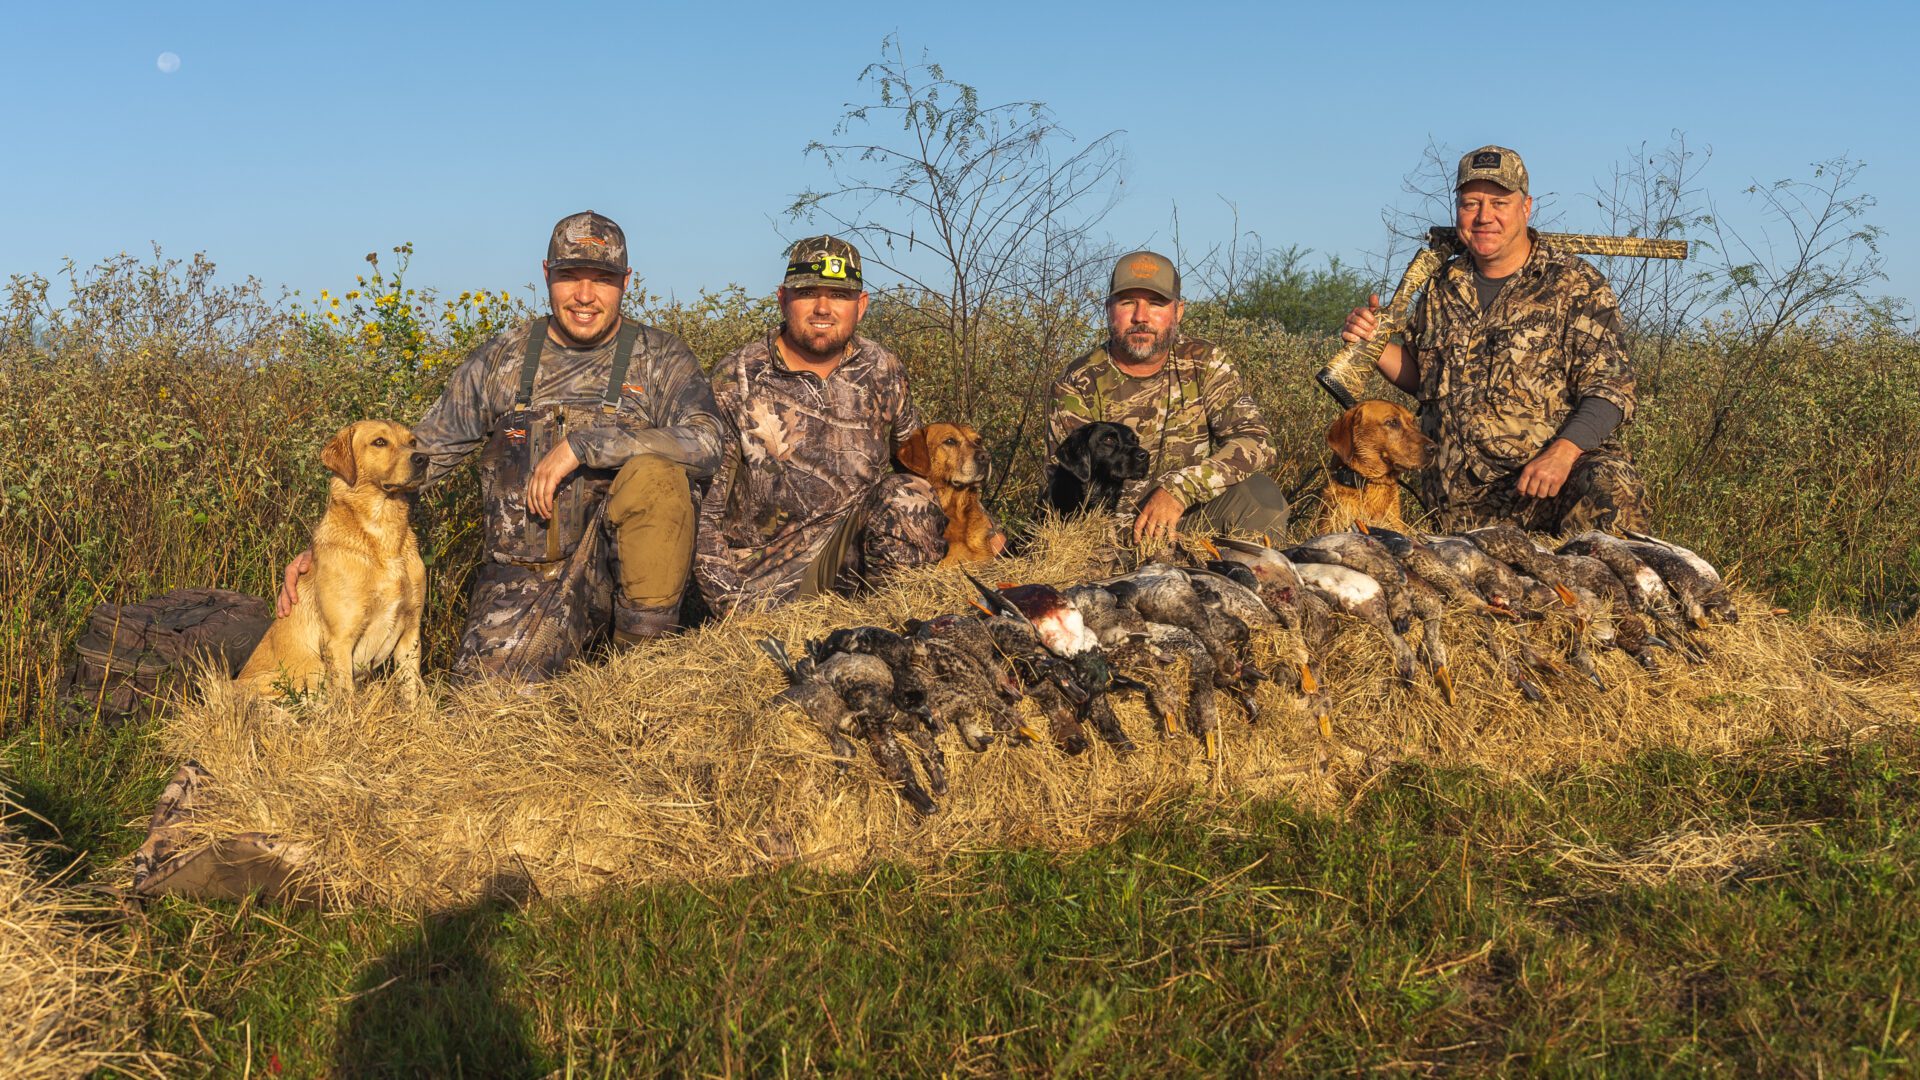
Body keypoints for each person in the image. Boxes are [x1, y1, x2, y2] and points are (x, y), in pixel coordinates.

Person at [280, 211, 723, 682]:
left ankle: (642, 666)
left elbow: (707, 439)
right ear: (546, 274)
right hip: (529, 578)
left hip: (629, 580)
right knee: (484, 713)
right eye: (571, 276)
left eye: (604, 279)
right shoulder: (503, 360)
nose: (586, 295)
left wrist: (586, 444)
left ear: (627, 281)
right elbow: (416, 459)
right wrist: (330, 548)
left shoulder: (661, 358)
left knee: (657, 475)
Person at [1341, 145, 1648, 535]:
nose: (1484, 217)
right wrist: (1376, 345)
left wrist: (1563, 453)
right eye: (1471, 204)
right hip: (1457, 505)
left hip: (1544, 493)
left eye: (1499, 202)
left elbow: (1612, 391)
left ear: (1526, 206)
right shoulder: (1439, 287)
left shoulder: (1575, 284)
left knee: (1611, 482)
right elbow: (1426, 380)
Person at [691, 236, 950, 616]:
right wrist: (734, 609)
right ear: (782, 299)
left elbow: (922, 464)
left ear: (860, 307)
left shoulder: (882, 368)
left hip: (858, 560)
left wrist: (981, 529)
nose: (823, 308)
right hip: (767, 581)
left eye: (839, 296)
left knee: (909, 492)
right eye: (808, 292)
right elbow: (705, 514)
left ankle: (896, 621)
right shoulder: (737, 378)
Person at [1046, 250, 1286, 544]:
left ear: (1178, 311)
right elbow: (1069, 490)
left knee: (1261, 495)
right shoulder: (1076, 382)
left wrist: (1181, 489)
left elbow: (1257, 442)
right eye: (1127, 302)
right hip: (1109, 532)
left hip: (1188, 514)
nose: (1141, 317)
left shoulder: (1205, 362)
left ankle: (1262, 583)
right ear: (1109, 309)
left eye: (1156, 303)